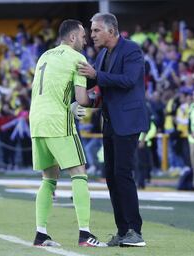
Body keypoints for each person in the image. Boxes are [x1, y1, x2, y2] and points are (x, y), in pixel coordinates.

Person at [29, 19, 106, 247]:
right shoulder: (77, 58)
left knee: (48, 178)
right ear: (72, 37)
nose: (86, 39)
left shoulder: (45, 56)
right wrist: (98, 101)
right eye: (83, 36)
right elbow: (82, 99)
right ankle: (85, 234)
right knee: (79, 172)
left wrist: (70, 104)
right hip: (57, 122)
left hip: (37, 120)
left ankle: (41, 234)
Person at [78, 12, 148, 247]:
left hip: (127, 121)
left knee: (122, 174)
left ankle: (135, 231)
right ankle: (123, 230)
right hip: (110, 122)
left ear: (111, 30)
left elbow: (128, 80)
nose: (92, 34)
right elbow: (93, 83)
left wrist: (96, 75)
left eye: (96, 30)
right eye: (91, 30)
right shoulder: (102, 55)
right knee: (112, 177)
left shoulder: (132, 50)